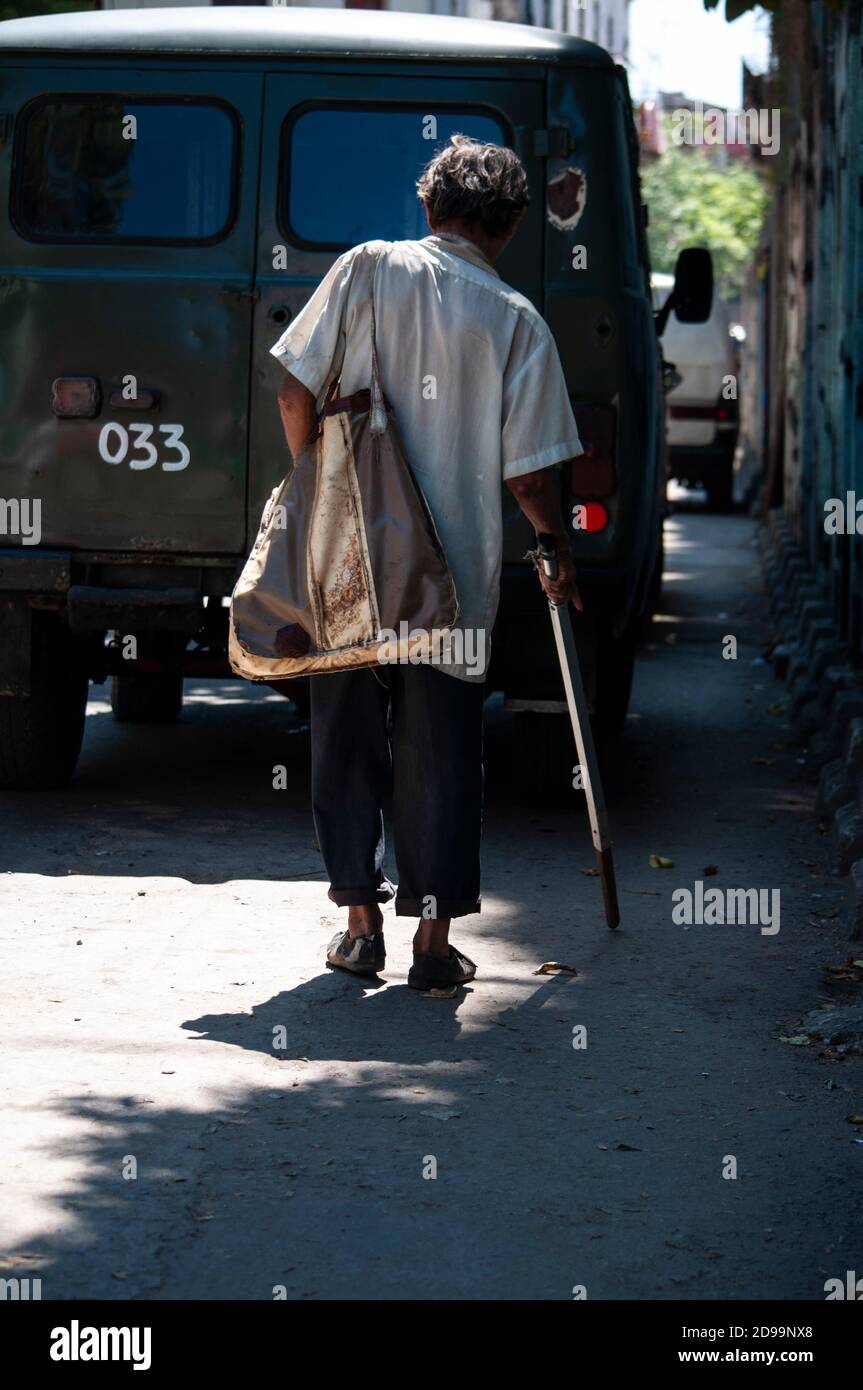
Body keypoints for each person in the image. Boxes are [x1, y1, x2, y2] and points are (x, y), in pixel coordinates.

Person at [271, 134, 582, 991]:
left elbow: (294, 387)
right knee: (441, 750)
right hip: (453, 583)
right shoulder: (517, 320)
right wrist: (554, 550)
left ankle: (358, 925)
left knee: (342, 734)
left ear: (427, 206)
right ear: (512, 224)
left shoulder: (367, 267)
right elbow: (527, 475)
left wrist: (314, 495)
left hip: (349, 564)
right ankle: (433, 947)